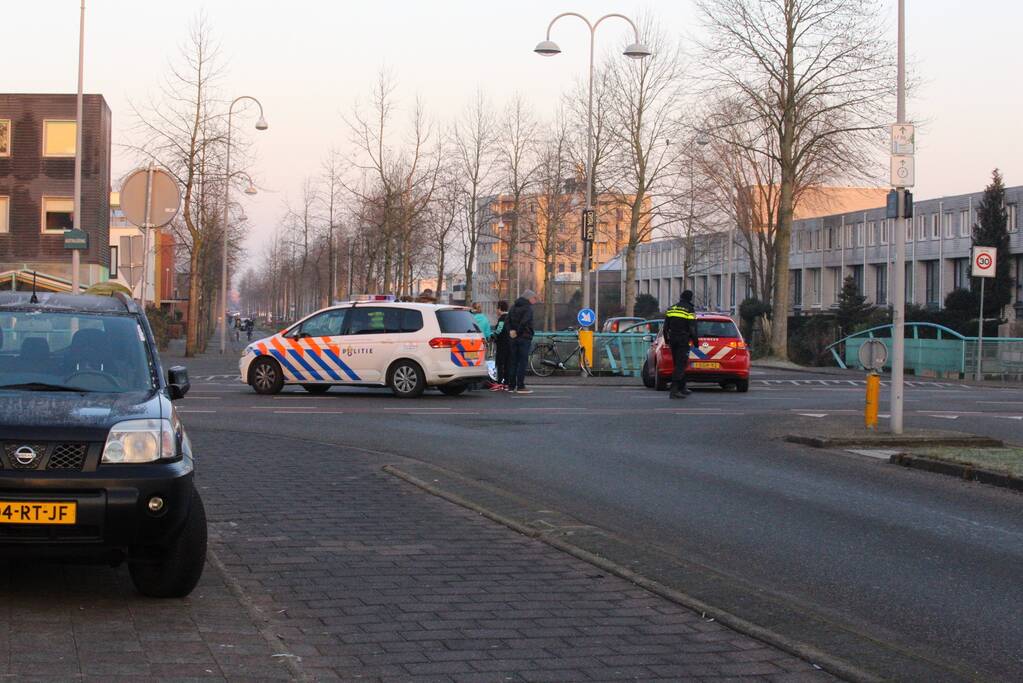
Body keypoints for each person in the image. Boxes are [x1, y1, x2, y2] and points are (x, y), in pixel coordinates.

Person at [663, 290, 699, 399]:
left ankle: (682, 387)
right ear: (690, 298)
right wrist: (696, 341)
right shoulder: (689, 309)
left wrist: (666, 340)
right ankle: (674, 390)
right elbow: (692, 328)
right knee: (681, 364)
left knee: (677, 363)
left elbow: (665, 327)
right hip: (683, 340)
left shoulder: (672, 308)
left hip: (673, 339)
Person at [506, 290, 537, 394]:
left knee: (513, 361)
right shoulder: (528, 309)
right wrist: (518, 332)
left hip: (513, 338)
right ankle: (520, 386)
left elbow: (507, 321)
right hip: (524, 337)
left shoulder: (513, 307)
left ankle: (511, 386)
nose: (535, 300)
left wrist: (511, 331)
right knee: (522, 362)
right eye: (534, 298)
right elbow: (525, 322)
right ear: (528, 298)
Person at [491, 300, 511, 391]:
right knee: (507, 364)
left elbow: (499, 330)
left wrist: (493, 336)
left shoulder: (502, 318)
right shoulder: (510, 317)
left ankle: (499, 383)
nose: (496, 311)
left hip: (502, 344)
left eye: (497, 308)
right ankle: (507, 383)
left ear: (499, 309)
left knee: (500, 363)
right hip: (510, 343)